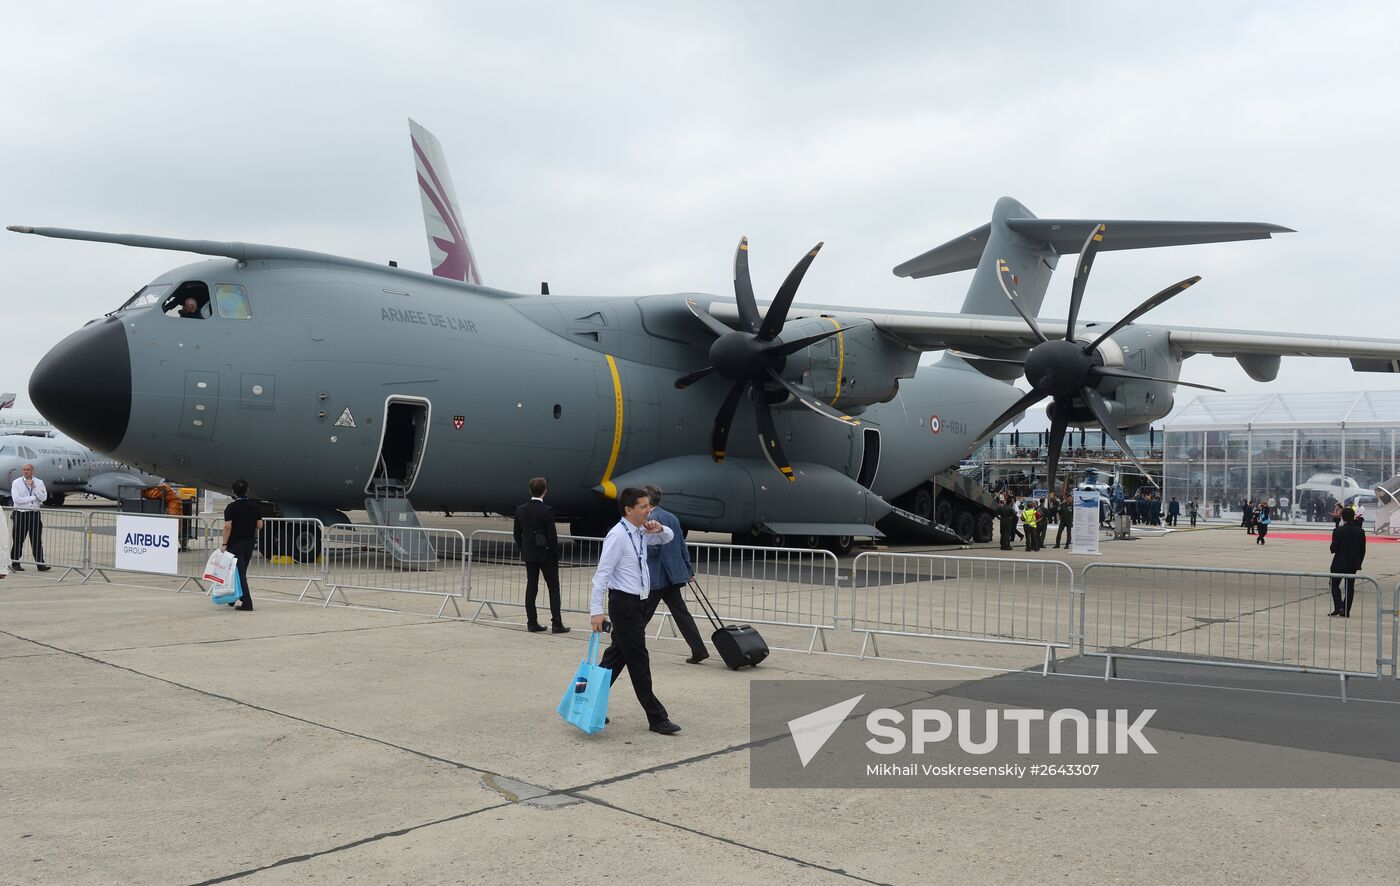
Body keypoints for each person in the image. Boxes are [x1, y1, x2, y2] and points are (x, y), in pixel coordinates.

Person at [592, 487, 681, 735]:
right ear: (629, 509)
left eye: (648, 506)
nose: (648, 510)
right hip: (624, 604)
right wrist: (595, 611)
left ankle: (589, 702)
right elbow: (601, 576)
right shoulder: (618, 536)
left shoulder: (641, 532)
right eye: (643, 507)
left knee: (615, 658)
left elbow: (669, 537)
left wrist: (659, 529)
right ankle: (656, 717)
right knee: (639, 660)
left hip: (639, 602)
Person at [641, 485, 708, 663]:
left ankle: (622, 645)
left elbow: (652, 548)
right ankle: (699, 649)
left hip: (657, 575)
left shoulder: (649, 519)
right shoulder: (671, 517)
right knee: (682, 614)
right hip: (673, 575)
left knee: (642, 615)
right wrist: (688, 570)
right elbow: (681, 545)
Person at [513, 477, 568, 633]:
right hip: (546, 555)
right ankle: (557, 623)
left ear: (530, 490)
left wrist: (524, 548)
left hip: (529, 554)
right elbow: (552, 536)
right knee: (553, 589)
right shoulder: (547, 510)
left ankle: (532, 622)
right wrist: (555, 554)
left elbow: (517, 534)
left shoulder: (520, 509)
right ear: (545, 491)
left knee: (531, 587)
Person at [220, 479, 262, 611]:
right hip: (249, 543)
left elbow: (227, 527)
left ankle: (247, 602)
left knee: (239, 574)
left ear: (233, 492)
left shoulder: (231, 508)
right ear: (247, 490)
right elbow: (260, 525)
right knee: (238, 572)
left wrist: (224, 543)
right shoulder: (255, 506)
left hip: (235, 544)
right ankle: (232, 598)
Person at [9, 463, 49, 572]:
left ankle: (40, 563)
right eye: (24, 469)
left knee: (36, 539)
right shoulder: (16, 482)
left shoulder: (39, 482)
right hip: (21, 513)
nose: (25, 471)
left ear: (32, 471)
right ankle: (15, 562)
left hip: (34, 513)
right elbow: (17, 499)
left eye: (28, 469)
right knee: (18, 539)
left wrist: (33, 488)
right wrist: (33, 497)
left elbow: (44, 497)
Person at [1328, 507, 1365, 617]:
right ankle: (1345, 610)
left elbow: (1333, 549)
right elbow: (1362, 550)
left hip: (1338, 563)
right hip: (1352, 563)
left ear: (1342, 517)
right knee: (1349, 587)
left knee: (1334, 584)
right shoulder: (1360, 531)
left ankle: (1339, 607)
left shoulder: (1338, 531)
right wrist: (1358, 563)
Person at [142, 481, 189, 551]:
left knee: (174, 526)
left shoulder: (163, 489)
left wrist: (144, 492)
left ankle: (175, 542)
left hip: (174, 507)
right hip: (175, 506)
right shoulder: (166, 488)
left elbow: (154, 494)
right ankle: (182, 541)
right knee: (178, 525)